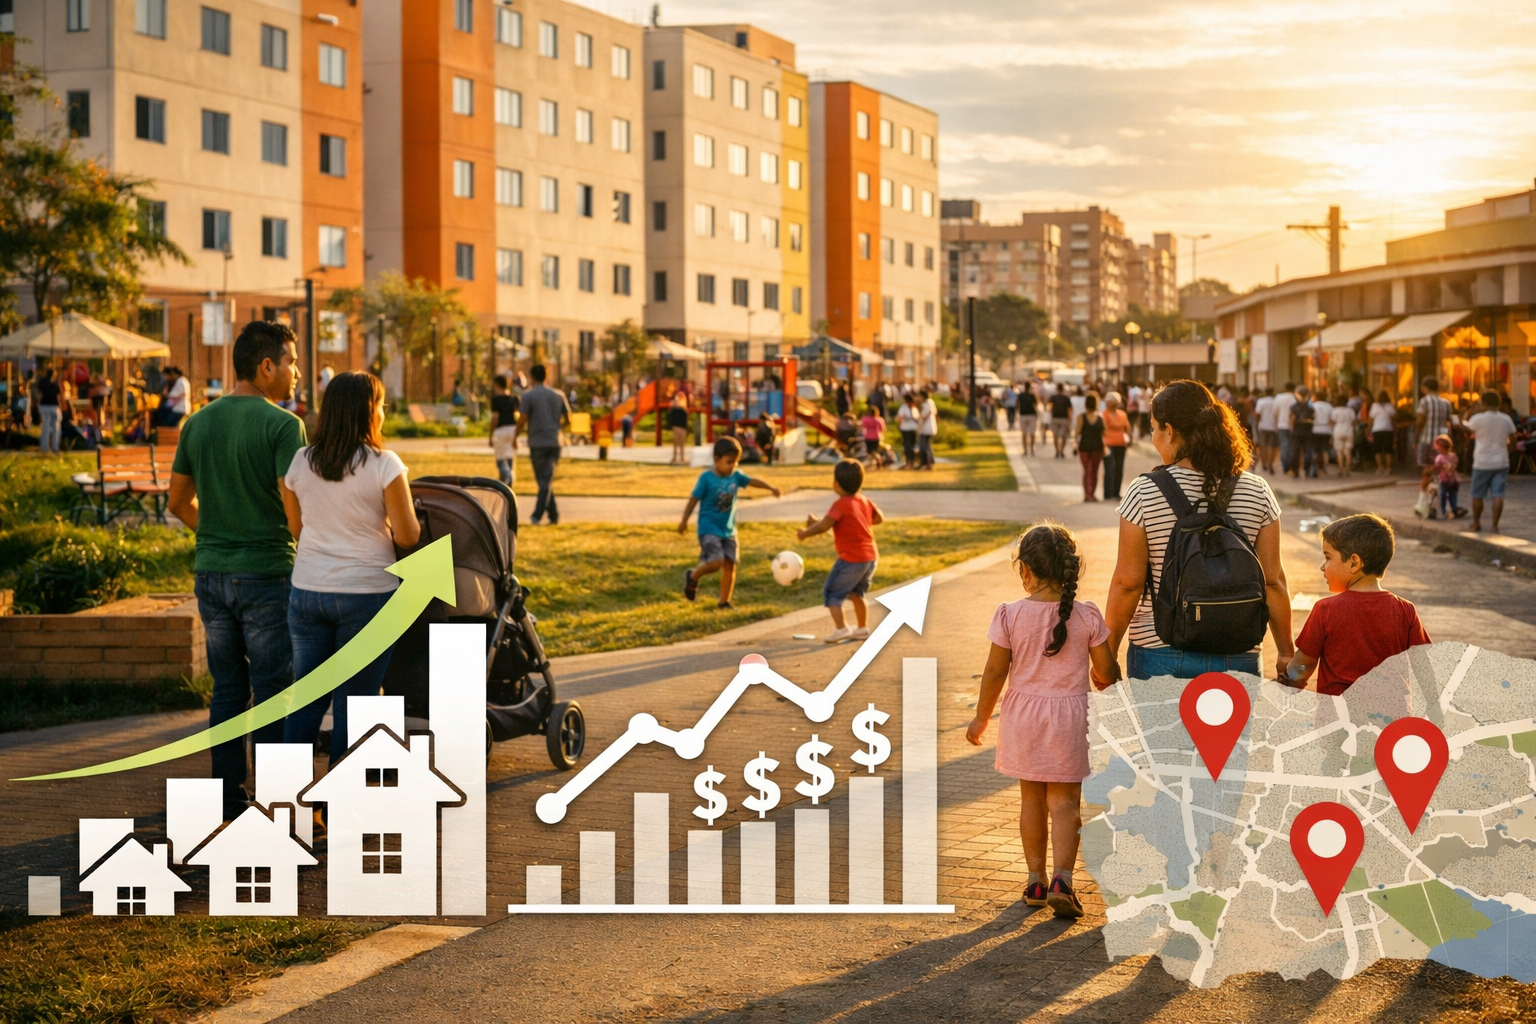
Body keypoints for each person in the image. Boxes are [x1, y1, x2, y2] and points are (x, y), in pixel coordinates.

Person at [168, 321, 306, 821]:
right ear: (266, 366)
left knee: (227, 689)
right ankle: (273, 801)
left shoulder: (198, 423)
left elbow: (177, 502)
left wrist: (218, 531)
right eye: (291, 361)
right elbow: (295, 516)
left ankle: (228, 800)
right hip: (267, 573)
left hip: (210, 573)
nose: (296, 372)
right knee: (273, 689)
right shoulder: (283, 426)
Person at [965, 524, 1120, 919]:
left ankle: (1035, 880)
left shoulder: (1010, 614)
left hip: (1023, 718)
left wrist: (981, 717)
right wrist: (1105, 682)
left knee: (1031, 800)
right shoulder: (1086, 615)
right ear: (1072, 570)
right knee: (1065, 802)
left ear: (1025, 572)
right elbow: (1106, 671)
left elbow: (994, 672)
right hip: (1069, 718)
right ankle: (1063, 880)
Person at [1106, 379, 1294, 680]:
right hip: (1239, 654)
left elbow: (1127, 584)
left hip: (1159, 652)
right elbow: (1273, 581)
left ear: (1169, 431)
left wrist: (1108, 654)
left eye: (1154, 428)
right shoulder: (1257, 490)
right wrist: (1286, 652)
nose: (1153, 436)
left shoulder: (1143, 492)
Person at [279, 372, 421, 769]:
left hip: (307, 590)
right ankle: (337, 805)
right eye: (380, 404)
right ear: (367, 411)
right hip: (367, 594)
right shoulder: (384, 464)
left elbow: (297, 529)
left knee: (304, 701)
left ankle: (288, 800)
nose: (383, 411)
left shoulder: (300, 462)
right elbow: (408, 536)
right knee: (354, 706)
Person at [1281, 514, 1431, 694]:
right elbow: (1424, 667)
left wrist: (1288, 684)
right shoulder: (1405, 610)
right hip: (1392, 716)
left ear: (1354, 563)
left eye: (1328, 558)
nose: (1322, 566)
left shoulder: (1325, 610)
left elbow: (1303, 665)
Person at [679, 436, 781, 608]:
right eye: (729, 462)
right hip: (709, 528)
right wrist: (684, 521)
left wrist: (771, 488)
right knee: (716, 561)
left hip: (729, 529)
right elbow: (693, 500)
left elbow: (752, 481)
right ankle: (694, 576)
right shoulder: (706, 479)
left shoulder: (736, 476)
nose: (733, 466)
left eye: (736, 462)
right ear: (716, 460)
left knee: (730, 565)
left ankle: (724, 602)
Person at [796, 458, 884, 643]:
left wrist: (805, 533)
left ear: (836, 483)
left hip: (852, 559)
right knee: (856, 593)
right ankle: (861, 629)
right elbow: (879, 519)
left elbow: (824, 526)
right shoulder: (864, 500)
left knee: (832, 593)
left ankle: (842, 629)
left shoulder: (841, 504)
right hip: (870, 557)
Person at [517, 364, 570, 525]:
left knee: (543, 480)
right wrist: (558, 429)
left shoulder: (528, 396)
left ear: (532, 377)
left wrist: (515, 436)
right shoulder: (558, 395)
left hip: (538, 442)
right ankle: (553, 515)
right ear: (546, 376)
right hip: (555, 441)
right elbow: (569, 419)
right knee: (546, 479)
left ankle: (537, 514)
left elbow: (522, 419)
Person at [1465, 390, 1517, 534]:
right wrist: (1507, 451)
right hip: (1501, 462)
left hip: (1482, 462)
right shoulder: (1506, 419)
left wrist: (1471, 411)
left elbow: (1466, 428)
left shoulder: (1478, 418)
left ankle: (1476, 522)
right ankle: (1494, 526)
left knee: (1477, 495)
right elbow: (1513, 440)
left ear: (1485, 403)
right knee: (1498, 494)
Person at [1414, 377, 1453, 518]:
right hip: (1442, 442)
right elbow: (1450, 422)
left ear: (1425, 387)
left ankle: (1422, 504)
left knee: (1426, 472)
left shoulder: (1425, 401)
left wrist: (1416, 438)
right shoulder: (1446, 402)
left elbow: (1420, 421)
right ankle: (1433, 506)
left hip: (1427, 440)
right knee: (1437, 474)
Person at [488, 374, 520, 487]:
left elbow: (495, 418)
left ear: (497, 385)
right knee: (509, 456)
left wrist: (490, 435)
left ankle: (508, 476)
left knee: (500, 460)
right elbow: (519, 414)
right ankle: (506, 485)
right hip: (512, 429)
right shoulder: (513, 398)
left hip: (500, 430)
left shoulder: (496, 400)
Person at [1075, 393, 1105, 502]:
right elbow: (1104, 433)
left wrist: (1074, 443)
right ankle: (1091, 493)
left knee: (1087, 470)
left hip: (1084, 446)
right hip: (1097, 446)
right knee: (1094, 471)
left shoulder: (1081, 417)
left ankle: (1088, 494)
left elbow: (1077, 432)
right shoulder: (1100, 418)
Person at [1101, 392, 1130, 500]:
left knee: (1117, 469)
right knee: (1111, 468)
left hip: (1119, 444)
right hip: (1109, 445)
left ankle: (1114, 493)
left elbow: (1127, 428)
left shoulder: (1121, 414)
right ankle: (1109, 493)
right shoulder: (1104, 414)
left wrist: (1130, 439)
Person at [1430, 434, 1465, 519]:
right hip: (1443, 478)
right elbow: (1437, 468)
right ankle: (1443, 510)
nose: (1439, 449)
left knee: (1453, 494)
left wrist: (1451, 467)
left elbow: (1455, 464)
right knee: (1443, 493)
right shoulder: (1439, 457)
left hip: (1452, 478)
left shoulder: (1452, 456)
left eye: (1441, 447)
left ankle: (1454, 509)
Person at [1288, 385, 1316, 478]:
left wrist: (1291, 430)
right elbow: (1314, 418)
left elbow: (1291, 419)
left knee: (1295, 451)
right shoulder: (1311, 406)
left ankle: (1295, 470)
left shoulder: (1293, 407)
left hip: (1297, 431)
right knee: (1308, 451)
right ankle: (1307, 469)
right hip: (1308, 431)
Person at [34, 368, 61, 455]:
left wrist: (39, 400)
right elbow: (58, 396)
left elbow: (38, 392)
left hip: (44, 405)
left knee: (45, 427)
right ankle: (55, 447)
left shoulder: (42, 382)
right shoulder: (55, 383)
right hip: (53, 406)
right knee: (55, 428)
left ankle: (45, 447)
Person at [1369, 390, 1396, 474]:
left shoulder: (1374, 406)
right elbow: (1393, 418)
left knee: (1377, 449)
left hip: (1377, 429)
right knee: (1388, 449)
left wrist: (1368, 429)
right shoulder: (1390, 406)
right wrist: (1395, 428)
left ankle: (1380, 467)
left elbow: (1371, 419)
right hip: (1388, 429)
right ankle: (1389, 468)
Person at [1330, 393, 1357, 476]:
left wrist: (1331, 432)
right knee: (1348, 452)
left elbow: (1332, 422)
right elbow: (1354, 422)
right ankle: (1347, 470)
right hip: (1349, 431)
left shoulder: (1335, 410)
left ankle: (1341, 470)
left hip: (1338, 431)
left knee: (1339, 452)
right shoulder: (1350, 410)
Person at [1310, 389, 1335, 476]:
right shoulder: (1329, 406)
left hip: (1315, 429)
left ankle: (1315, 467)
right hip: (1326, 430)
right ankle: (1323, 466)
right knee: (1324, 449)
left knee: (1315, 449)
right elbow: (1332, 420)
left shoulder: (1313, 405)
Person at [895, 392, 919, 469]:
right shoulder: (914, 407)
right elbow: (917, 418)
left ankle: (908, 463)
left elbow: (899, 418)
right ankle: (912, 462)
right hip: (914, 428)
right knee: (912, 446)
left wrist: (898, 425)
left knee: (907, 446)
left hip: (906, 429)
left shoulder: (904, 407)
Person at [1048, 385, 1072, 459]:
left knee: (1055, 435)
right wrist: (1070, 418)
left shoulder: (1053, 397)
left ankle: (1057, 451)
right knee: (1063, 436)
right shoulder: (1066, 398)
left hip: (1055, 417)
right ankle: (1061, 450)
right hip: (1064, 418)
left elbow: (1050, 406)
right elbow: (1069, 409)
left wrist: (1050, 413)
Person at [916, 389, 938, 470]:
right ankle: (929, 462)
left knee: (923, 447)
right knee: (927, 446)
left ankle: (925, 464)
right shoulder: (930, 403)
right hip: (929, 427)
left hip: (926, 428)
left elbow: (924, 416)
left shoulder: (926, 404)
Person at [667, 391, 690, 465]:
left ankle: (682, 458)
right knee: (676, 442)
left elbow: (686, 414)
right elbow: (672, 410)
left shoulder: (684, 406)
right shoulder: (674, 404)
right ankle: (674, 457)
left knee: (682, 442)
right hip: (676, 425)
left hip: (682, 425)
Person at [859, 402, 886, 468]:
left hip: (868, 437)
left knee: (870, 451)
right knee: (874, 450)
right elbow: (883, 429)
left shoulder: (865, 419)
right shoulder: (880, 419)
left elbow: (860, 425)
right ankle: (876, 461)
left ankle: (878, 460)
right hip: (877, 437)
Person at [1017, 383, 1039, 456]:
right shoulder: (1031, 395)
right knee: (1032, 433)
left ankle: (1025, 450)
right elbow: (1036, 404)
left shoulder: (1021, 395)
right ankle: (1031, 448)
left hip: (1023, 414)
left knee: (1024, 433)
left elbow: (1017, 404)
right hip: (1031, 414)